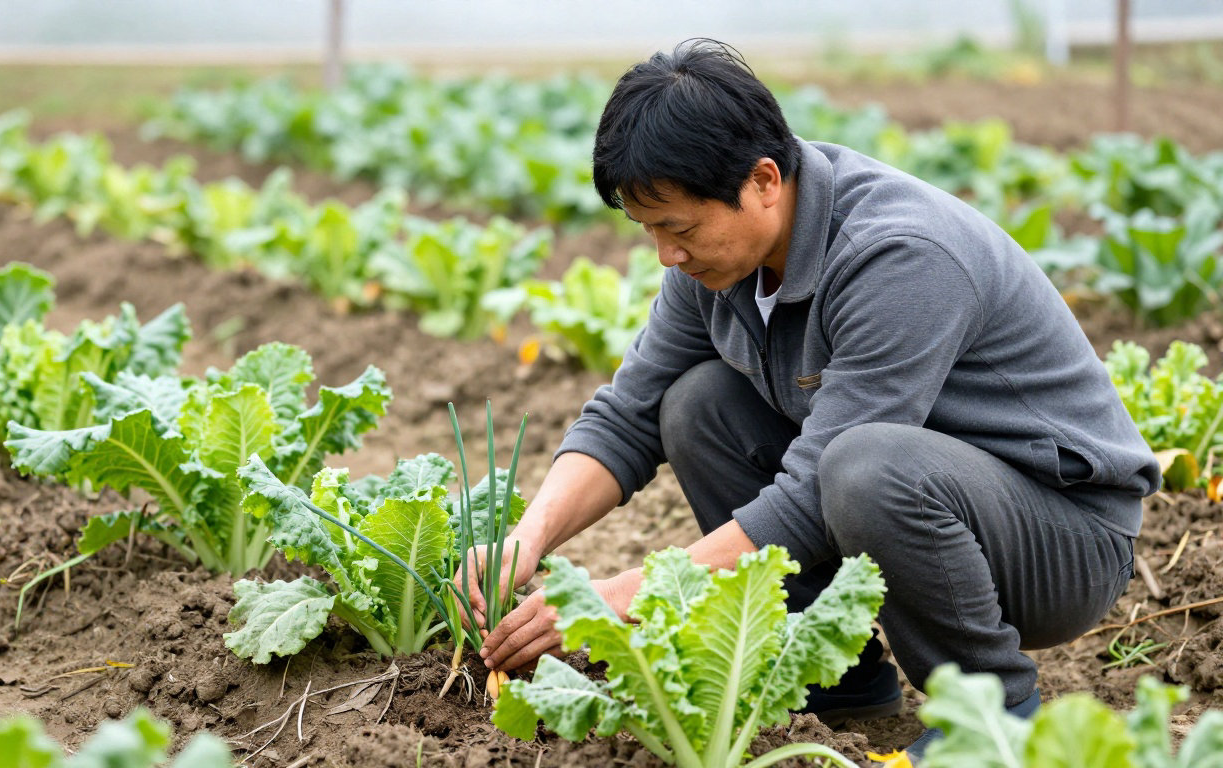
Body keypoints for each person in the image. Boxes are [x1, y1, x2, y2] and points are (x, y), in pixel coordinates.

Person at [459, 39, 1158, 759]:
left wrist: (631, 594)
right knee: (695, 404)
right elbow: (628, 413)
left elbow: (811, 492)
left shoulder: (901, 255)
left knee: (865, 467)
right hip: (935, 498)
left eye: (679, 228)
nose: (666, 254)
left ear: (763, 180)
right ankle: (836, 680)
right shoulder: (717, 264)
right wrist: (527, 538)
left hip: (1062, 538)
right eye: (649, 230)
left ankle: (991, 716)